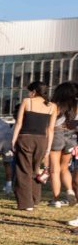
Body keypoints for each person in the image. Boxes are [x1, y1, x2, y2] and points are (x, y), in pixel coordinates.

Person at [11, 82, 57, 211]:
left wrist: (13, 140)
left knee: (23, 171)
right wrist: (48, 148)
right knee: (36, 169)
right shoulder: (52, 106)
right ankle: (35, 199)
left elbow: (19, 123)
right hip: (42, 140)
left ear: (34, 91)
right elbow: (51, 129)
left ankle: (26, 204)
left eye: (29, 91)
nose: (28, 93)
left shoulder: (27, 101)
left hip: (25, 138)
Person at [48, 79, 77, 207]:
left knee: (55, 169)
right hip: (72, 136)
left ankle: (56, 199)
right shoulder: (76, 105)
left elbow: (49, 125)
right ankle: (70, 191)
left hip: (56, 134)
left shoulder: (55, 105)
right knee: (65, 167)